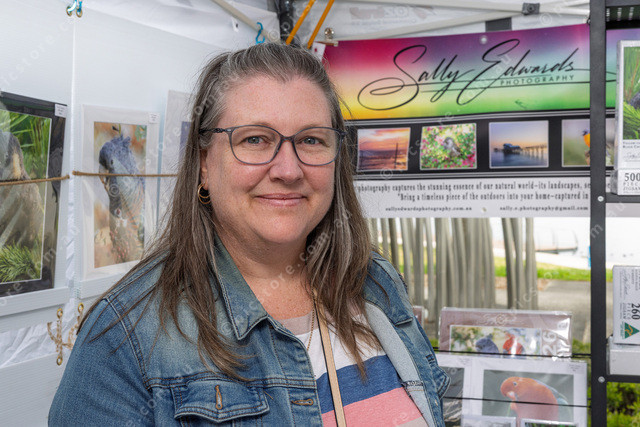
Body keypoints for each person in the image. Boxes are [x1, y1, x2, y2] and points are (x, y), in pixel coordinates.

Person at [49, 42, 449, 426]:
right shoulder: (125, 338)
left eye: (311, 140)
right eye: (255, 139)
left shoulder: (374, 281)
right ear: (204, 163)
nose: (288, 170)